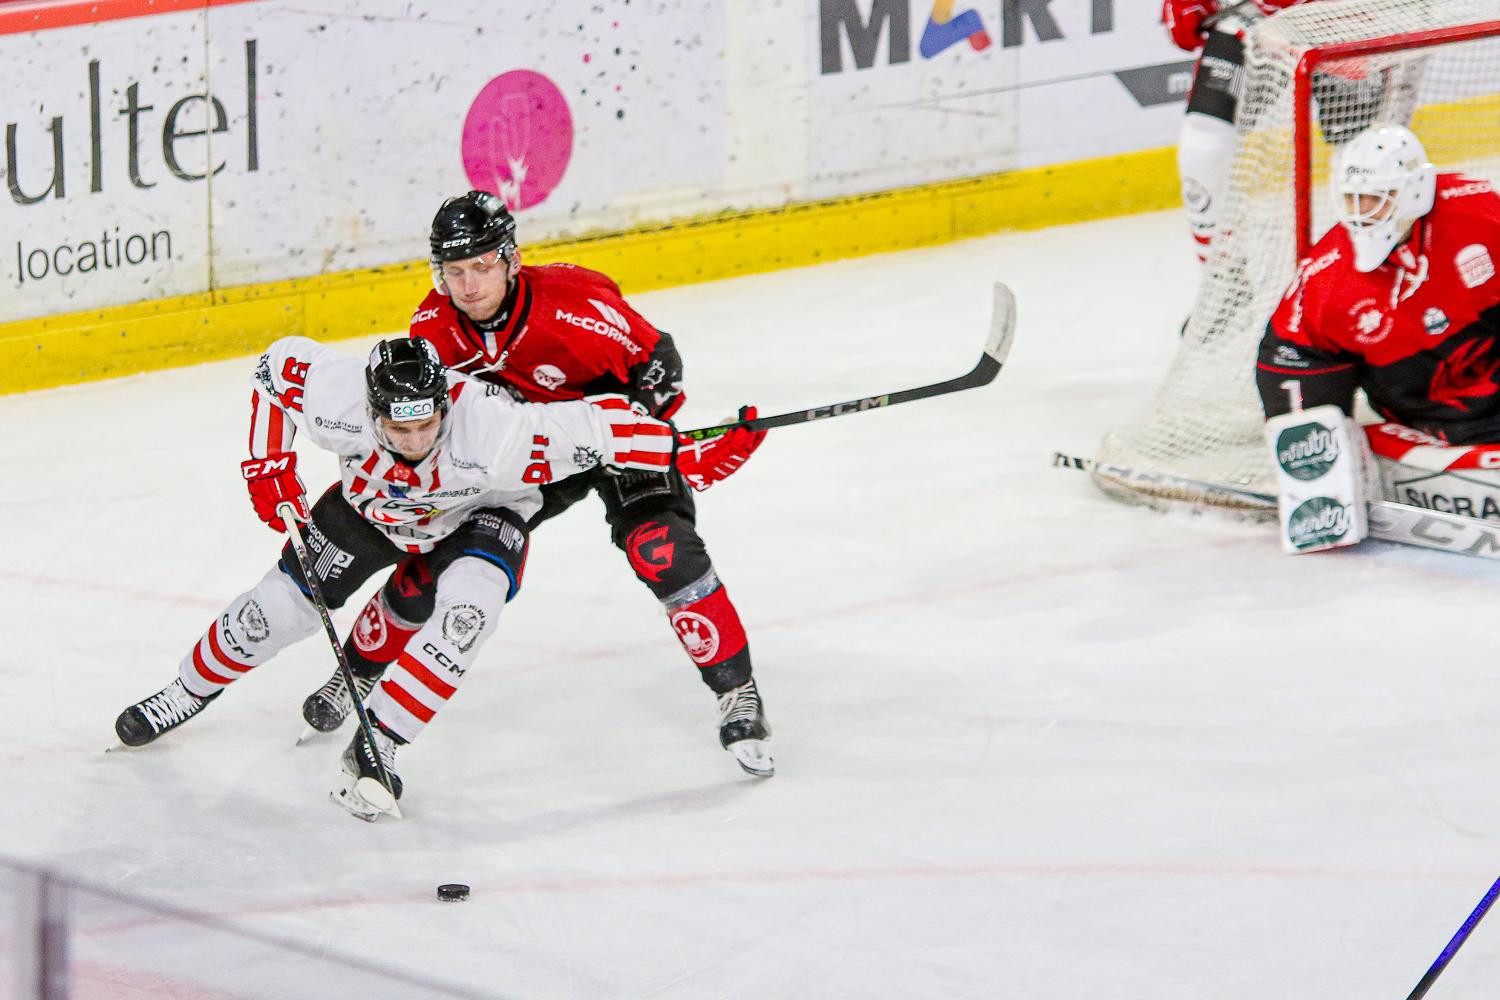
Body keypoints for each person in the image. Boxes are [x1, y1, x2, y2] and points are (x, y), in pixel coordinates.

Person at [296, 191, 776, 777]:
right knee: (438, 562)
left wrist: (664, 444)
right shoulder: (433, 327)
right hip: (528, 460)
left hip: (611, 438)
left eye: (482, 266)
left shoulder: (576, 308)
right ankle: (357, 675)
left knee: (663, 548)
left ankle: (738, 692)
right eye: (454, 271)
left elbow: (661, 366)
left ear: (510, 259)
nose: (469, 286)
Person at [113, 336, 674, 820]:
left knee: (466, 618)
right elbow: (274, 370)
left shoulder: (496, 430)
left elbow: (604, 427)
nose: (413, 440)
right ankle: (185, 692)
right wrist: (269, 465)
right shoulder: (339, 395)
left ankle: (378, 741)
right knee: (275, 612)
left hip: (478, 515)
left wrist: (672, 448)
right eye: (398, 426)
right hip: (372, 509)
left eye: (427, 423)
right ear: (372, 408)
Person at [1257, 124, 1500, 519]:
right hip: (1429, 417)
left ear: (1415, 191)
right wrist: (1316, 474)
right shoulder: (1329, 277)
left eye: (1375, 198)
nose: (1361, 213)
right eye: (1352, 199)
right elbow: (1290, 356)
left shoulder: (1479, 211)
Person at [1162, 0, 1386, 264]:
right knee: (1203, 146)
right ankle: (1224, 275)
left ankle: (1367, 273)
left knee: (1362, 158)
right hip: (1257, 15)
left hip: (1345, 14)